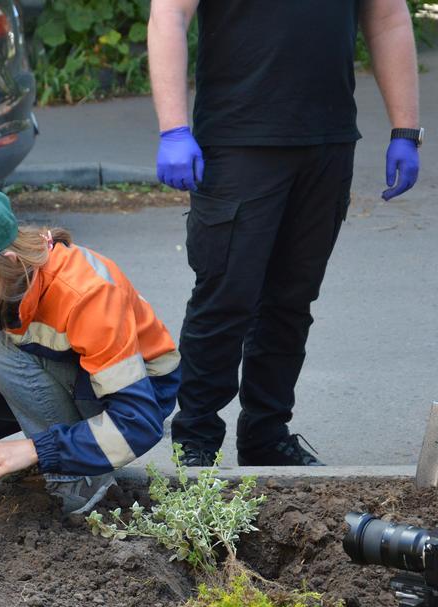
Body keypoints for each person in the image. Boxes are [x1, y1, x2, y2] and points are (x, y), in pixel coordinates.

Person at [148, 0, 422, 466]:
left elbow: (389, 17)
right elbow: (168, 16)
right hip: (239, 140)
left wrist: (406, 129)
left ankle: (265, 434)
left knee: (291, 302)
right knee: (226, 298)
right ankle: (195, 440)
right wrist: (173, 128)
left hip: (327, 142)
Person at [0, 189, 181, 526]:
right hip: (46, 370)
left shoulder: (85, 292)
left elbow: (138, 422)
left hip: (135, 397)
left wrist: (38, 450)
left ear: (7, 261)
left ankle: (82, 486)